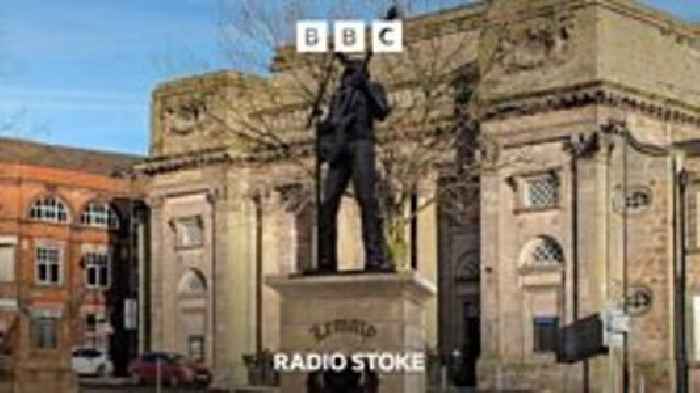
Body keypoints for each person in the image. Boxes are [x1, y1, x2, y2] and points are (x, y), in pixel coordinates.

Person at [317, 57, 392, 273]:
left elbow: (382, 111)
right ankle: (326, 259)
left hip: (361, 144)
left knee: (367, 199)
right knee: (328, 202)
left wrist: (366, 87)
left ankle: (375, 257)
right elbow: (330, 123)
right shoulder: (337, 98)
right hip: (340, 148)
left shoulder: (372, 89)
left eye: (353, 74)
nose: (349, 79)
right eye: (347, 75)